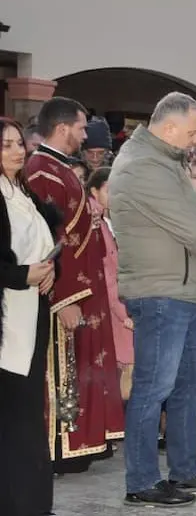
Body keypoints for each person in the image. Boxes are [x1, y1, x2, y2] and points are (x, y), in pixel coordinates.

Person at [109, 92, 196, 507]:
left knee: (187, 383)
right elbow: (189, 226)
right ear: (169, 128)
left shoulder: (164, 160)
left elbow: (194, 222)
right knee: (153, 387)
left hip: (179, 290)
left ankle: (185, 470)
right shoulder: (145, 165)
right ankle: (143, 481)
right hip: (161, 291)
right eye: (194, 131)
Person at [25, 97, 126, 473]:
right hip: (66, 292)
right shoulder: (43, 172)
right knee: (62, 370)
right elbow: (50, 241)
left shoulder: (60, 169)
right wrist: (64, 297)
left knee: (81, 367)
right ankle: (57, 446)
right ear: (63, 127)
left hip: (86, 289)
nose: (85, 136)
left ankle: (77, 443)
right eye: (82, 128)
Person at [0, 117, 59, 516]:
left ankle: (31, 501)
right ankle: (12, 504)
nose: (17, 151)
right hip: (7, 317)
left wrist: (48, 272)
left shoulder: (26, 193)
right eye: (5, 145)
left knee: (27, 407)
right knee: (12, 410)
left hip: (31, 311)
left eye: (19, 143)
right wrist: (23, 275)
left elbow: (43, 247)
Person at [86, 168, 134, 398]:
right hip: (109, 307)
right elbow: (107, 274)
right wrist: (123, 312)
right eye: (108, 190)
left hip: (118, 303)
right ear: (94, 191)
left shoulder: (110, 220)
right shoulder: (94, 222)